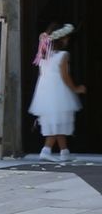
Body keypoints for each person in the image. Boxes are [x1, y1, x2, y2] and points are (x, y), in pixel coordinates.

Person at [29, 23, 85, 161]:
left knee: (57, 120)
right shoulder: (63, 55)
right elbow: (65, 77)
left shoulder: (43, 55)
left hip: (45, 91)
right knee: (57, 122)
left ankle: (64, 151)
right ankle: (46, 150)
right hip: (58, 91)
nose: (68, 40)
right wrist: (76, 88)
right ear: (61, 39)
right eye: (66, 38)